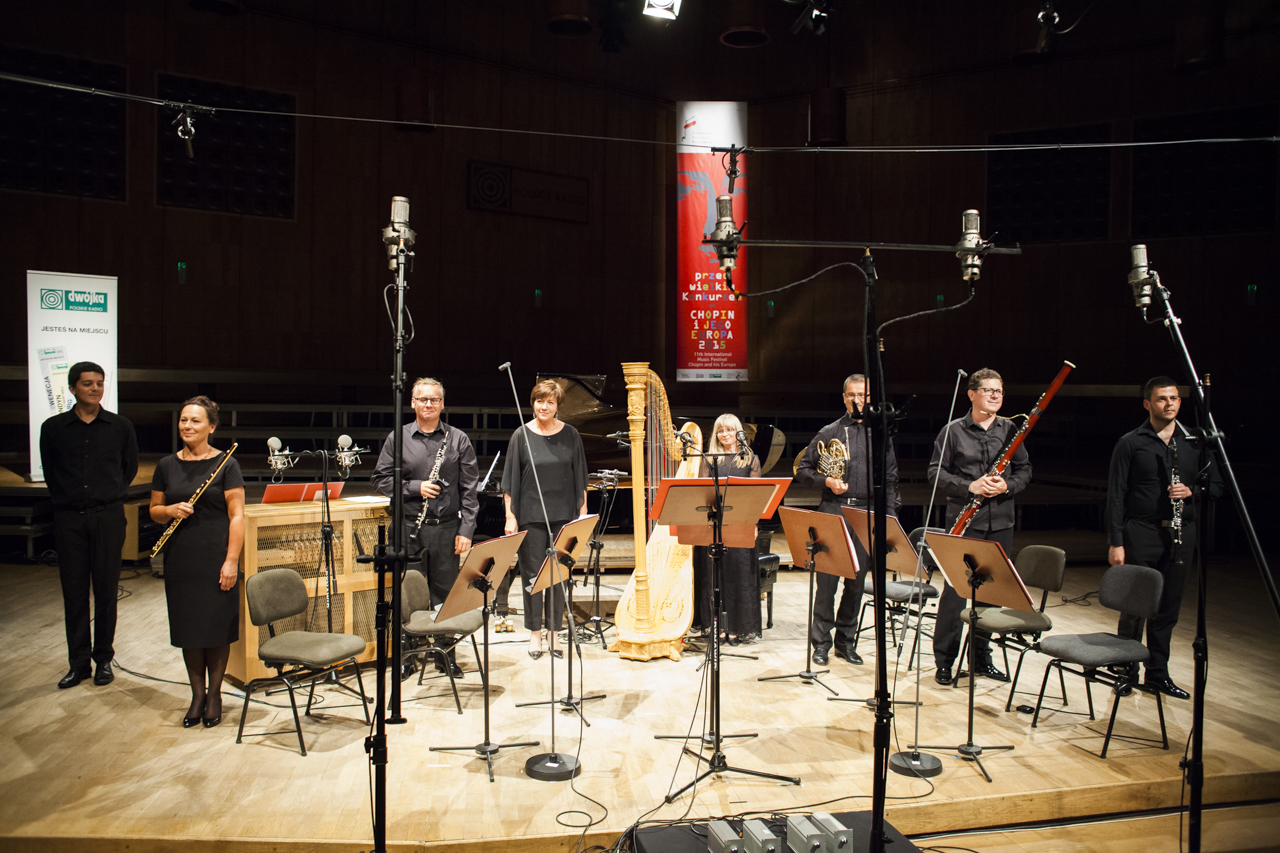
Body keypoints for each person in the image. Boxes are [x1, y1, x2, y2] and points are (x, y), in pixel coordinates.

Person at [1106, 376, 1221, 700]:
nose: (1169, 404)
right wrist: (1116, 541)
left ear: (1180, 402)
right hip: (1141, 531)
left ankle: (1157, 673)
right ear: (1148, 404)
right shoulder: (1131, 442)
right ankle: (1125, 669)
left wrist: (1191, 491)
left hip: (1181, 532)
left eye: (1173, 398)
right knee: (1134, 606)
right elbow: (1116, 495)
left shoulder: (1196, 442)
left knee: (1168, 607)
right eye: (1161, 399)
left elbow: (1216, 486)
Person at [927, 368, 1032, 685]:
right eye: (989, 390)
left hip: (1000, 520)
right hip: (964, 521)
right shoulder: (953, 431)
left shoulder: (1011, 430)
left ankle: (981, 658)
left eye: (999, 391)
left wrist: (1007, 485)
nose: (996, 396)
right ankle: (945, 661)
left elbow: (1025, 470)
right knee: (956, 593)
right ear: (971, 394)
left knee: (990, 593)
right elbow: (935, 473)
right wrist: (970, 486)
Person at [40, 361, 138, 690]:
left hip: (108, 516)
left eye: (99, 383)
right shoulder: (53, 428)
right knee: (74, 592)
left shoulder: (120, 426)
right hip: (69, 518)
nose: (95, 388)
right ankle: (79, 663)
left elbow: (128, 469)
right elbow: (51, 473)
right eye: (87, 383)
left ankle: (104, 660)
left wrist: (108, 495)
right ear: (72, 388)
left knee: (107, 591)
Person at [372, 377, 479, 677]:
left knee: (446, 595)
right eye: (423, 399)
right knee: (409, 593)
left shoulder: (458, 439)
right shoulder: (398, 437)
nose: (428, 404)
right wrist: (414, 487)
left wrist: (466, 530)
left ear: (442, 404)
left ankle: (445, 655)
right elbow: (380, 480)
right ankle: (408, 655)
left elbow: (470, 490)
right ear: (413, 403)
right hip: (408, 526)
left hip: (447, 529)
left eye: (434, 399)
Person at [149, 396, 245, 728]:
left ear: (211, 427)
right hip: (181, 558)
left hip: (216, 554)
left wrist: (231, 561)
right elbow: (154, 511)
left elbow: (237, 516)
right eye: (183, 420)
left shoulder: (227, 464)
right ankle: (197, 696)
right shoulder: (166, 465)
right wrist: (169, 510)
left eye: (195, 421)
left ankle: (215, 695)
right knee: (189, 629)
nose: (187, 426)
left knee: (216, 629)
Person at [794, 374, 901, 666]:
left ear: (870, 399)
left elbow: (891, 478)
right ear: (844, 398)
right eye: (852, 395)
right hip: (834, 510)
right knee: (826, 583)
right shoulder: (829, 432)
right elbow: (803, 470)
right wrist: (826, 481)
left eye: (863, 395)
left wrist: (890, 517)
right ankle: (821, 644)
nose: (857, 400)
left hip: (867, 514)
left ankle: (845, 642)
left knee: (855, 584)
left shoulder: (881, 434)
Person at [501, 380, 588, 660]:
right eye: (540, 401)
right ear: (533, 403)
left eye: (550, 402)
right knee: (533, 577)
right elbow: (509, 481)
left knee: (558, 577)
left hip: (564, 517)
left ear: (557, 406)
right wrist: (510, 516)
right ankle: (535, 634)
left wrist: (582, 516)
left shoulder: (571, 434)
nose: (544, 406)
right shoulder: (520, 435)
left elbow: (580, 478)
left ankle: (554, 633)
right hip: (530, 517)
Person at [692, 414, 764, 645]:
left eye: (729, 430)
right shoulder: (709, 460)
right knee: (714, 577)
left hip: (740, 525)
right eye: (720, 431)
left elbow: (755, 497)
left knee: (737, 576)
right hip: (713, 526)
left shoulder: (750, 459)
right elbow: (702, 494)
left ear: (738, 432)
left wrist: (753, 524)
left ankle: (736, 627)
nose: (725, 434)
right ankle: (717, 627)